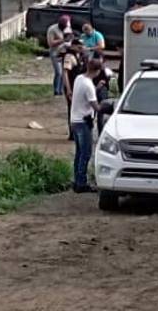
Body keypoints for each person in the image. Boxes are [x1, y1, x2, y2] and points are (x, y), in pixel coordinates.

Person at [70, 58, 104, 192]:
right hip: (83, 122)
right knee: (86, 153)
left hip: (74, 121)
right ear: (97, 71)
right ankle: (82, 183)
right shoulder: (88, 85)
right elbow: (96, 107)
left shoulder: (79, 78)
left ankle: (77, 180)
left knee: (79, 153)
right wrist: (107, 107)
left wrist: (97, 88)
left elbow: (87, 95)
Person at [47, 15, 71, 96]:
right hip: (55, 52)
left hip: (65, 51)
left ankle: (61, 90)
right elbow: (51, 43)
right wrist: (63, 40)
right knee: (58, 72)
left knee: (64, 72)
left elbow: (69, 39)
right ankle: (56, 90)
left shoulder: (68, 28)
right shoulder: (52, 29)